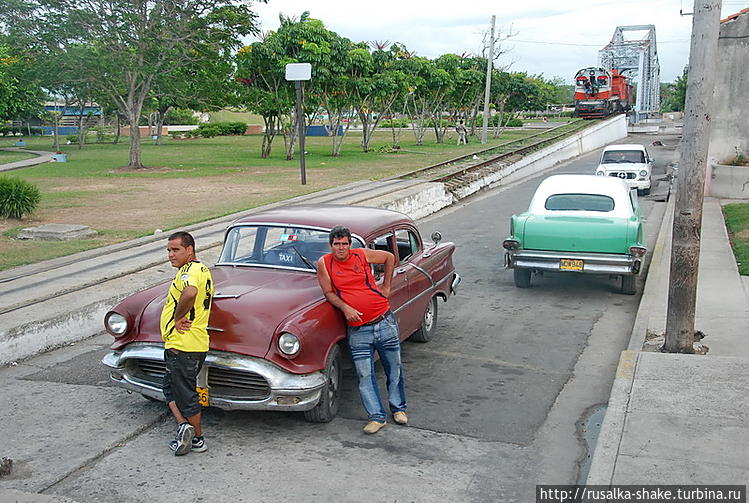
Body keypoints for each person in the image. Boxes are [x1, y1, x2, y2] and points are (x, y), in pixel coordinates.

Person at [317, 226, 407, 434]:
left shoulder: (361, 255)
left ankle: (398, 408)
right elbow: (329, 293)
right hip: (358, 330)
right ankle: (376, 416)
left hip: (384, 321)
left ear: (350, 244)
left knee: (394, 368)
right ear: (331, 246)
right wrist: (345, 307)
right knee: (365, 375)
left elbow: (389, 258)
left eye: (344, 244)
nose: (341, 248)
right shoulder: (325, 263)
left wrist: (386, 287)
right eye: (336, 244)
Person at [160, 231, 213, 455]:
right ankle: (184, 427)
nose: (171, 255)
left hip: (184, 345)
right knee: (169, 388)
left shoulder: (189, 272)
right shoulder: (202, 270)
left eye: (176, 250)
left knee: (186, 394)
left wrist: (176, 317)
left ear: (189, 250)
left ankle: (198, 439)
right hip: (189, 344)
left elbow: (190, 293)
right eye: (168, 250)